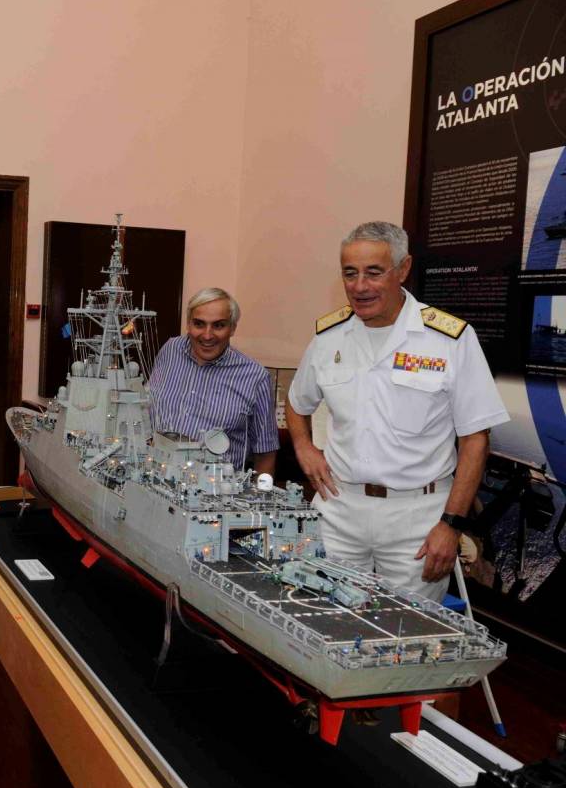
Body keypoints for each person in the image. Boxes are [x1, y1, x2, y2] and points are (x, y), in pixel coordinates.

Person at [285, 221, 509, 601]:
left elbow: (475, 439)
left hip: (417, 519)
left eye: (374, 272)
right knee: (321, 616)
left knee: (407, 633)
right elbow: (296, 402)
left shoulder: (448, 340)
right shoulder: (329, 337)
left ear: (403, 269)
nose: (359, 286)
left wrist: (451, 524)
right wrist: (305, 449)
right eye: (350, 273)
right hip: (340, 509)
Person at [147, 287, 278, 473]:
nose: (207, 335)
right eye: (199, 324)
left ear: (232, 328)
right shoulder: (170, 350)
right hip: (153, 480)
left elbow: (266, 453)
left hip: (215, 493)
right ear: (188, 324)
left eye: (218, 325)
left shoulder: (255, 378)